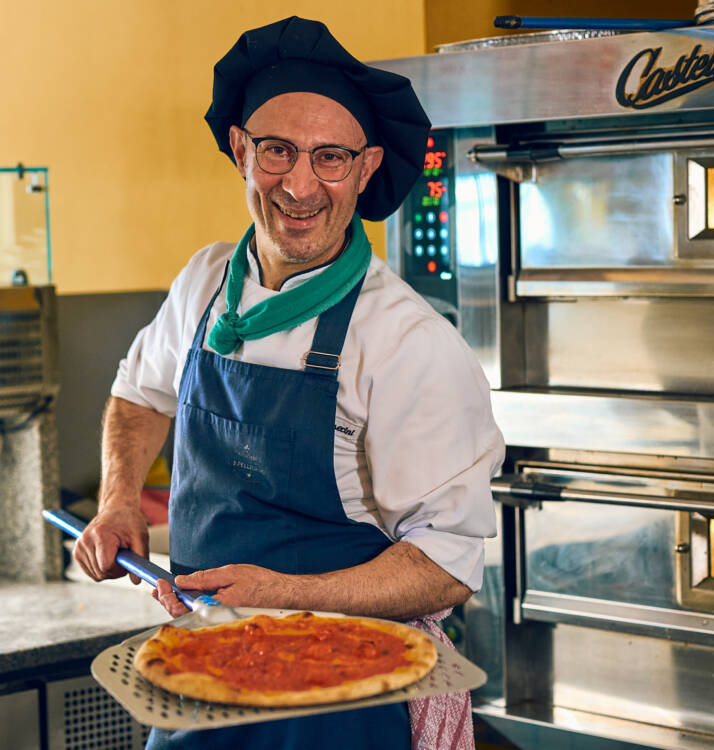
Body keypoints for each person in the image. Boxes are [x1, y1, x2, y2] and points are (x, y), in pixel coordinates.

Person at [71, 16, 504, 750]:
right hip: (200, 675)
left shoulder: (408, 343)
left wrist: (288, 597)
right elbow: (138, 394)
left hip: (343, 696)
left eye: (330, 157)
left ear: (366, 170)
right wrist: (118, 504)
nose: (299, 186)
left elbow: (445, 568)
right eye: (277, 150)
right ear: (241, 150)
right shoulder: (205, 282)